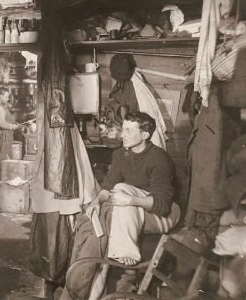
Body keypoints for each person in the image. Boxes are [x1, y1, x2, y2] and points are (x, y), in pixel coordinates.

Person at [61, 111, 180, 300]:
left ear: (144, 135)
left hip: (161, 215)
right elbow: (107, 187)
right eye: (122, 129)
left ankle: (125, 253)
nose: (122, 135)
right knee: (96, 221)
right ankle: (86, 292)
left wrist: (130, 200)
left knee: (121, 190)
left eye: (128, 130)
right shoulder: (120, 154)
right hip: (130, 213)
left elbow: (162, 205)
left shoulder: (160, 159)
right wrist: (96, 202)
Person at [0, 87, 19, 182]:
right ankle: (1, 185)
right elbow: (1, 123)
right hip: (3, 138)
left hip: (5, 138)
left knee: (4, 163)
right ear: (0, 96)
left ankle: (2, 184)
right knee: (3, 163)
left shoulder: (2, 106)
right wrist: (12, 126)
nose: (8, 99)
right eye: (6, 97)